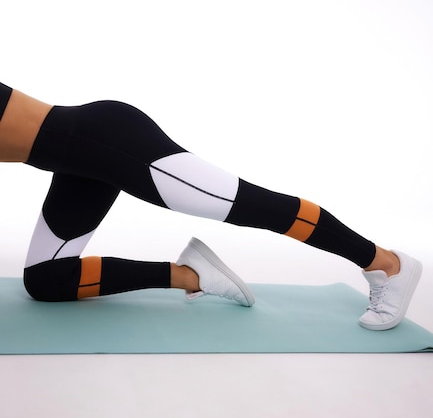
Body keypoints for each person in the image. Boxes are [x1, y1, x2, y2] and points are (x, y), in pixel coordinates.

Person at [0, 81, 422, 331]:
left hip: (108, 141)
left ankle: (387, 264)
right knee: (46, 281)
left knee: (255, 206)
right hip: (79, 161)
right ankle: (193, 276)